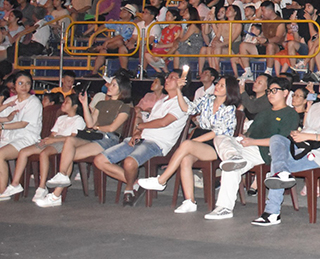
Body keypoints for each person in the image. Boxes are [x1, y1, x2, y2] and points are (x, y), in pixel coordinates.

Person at [255, 68, 320, 226]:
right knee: (277, 139)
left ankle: (272, 212)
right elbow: (307, 130)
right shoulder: (314, 107)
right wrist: (299, 135)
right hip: (303, 149)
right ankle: (282, 175)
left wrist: (307, 136)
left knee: (277, 167)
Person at [136, 76, 241, 213]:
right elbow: (187, 108)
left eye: (221, 85)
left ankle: (161, 180)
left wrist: (193, 142)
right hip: (199, 138)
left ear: (229, 91)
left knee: (186, 145)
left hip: (216, 143)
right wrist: (179, 91)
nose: (217, 87)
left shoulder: (229, 109)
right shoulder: (207, 99)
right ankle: (189, 201)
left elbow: (216, 133)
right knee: (185, 159)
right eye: (218, 84)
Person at [204, 75, 300, 220]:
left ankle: (233, 159)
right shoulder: (263, 113)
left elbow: (280, 141)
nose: (269, 94)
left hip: (265, 152)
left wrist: (252, 142)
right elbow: (250, 133)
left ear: (285, 93)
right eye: (268, 91)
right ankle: (224, 206)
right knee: (221, 139)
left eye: (274, 90)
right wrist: (243, 137)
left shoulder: (290, 114)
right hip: (248, 148)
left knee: (231, 165)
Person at [93, 71, 189, 206]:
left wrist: (140, 125)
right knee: (99, 160)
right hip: (142, 139)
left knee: (129, 163)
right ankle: (137, 183)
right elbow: (149, 121)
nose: (167, 80)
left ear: (181, 82)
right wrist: (138, 132)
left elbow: (163, 122)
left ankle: (128, 189)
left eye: (173, 78)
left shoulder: (183, 103)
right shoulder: (161, 101)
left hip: (157, 144)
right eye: (168, 77)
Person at [41, 74, 132, 207]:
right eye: (110, 84)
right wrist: (84, 104)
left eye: (114, 85)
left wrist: (97, 127)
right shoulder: (101, 104)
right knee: (70, 142)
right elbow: (90, 124)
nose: (109, 87)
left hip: (108, 138)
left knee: (68, 155)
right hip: (93, 135)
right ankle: (61, 177)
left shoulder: (124, 107)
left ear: (121, 89)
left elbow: (113, 127)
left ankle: (56, 195)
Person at [0, 92, 84, 200]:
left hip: (64, 143)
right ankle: (15, 184)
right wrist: (46, 140)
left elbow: (73, 138)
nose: (63, 104)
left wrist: (53, 140)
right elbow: (53, 133)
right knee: (23, 152)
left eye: (67, 102)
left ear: (75, 106)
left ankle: (41, 186)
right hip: (53, 141)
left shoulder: (78, 120)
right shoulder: (61, 118)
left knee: (44, 153)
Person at [0, 72, 43, 194]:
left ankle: (2, 191)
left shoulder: (33, 102)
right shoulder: (11, 100)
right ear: (14, 85)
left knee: (0, 155)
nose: (24, 86)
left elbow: (22, 124)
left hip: (26, 138)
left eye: (27, 83)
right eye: (20, 83)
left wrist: (3, 126)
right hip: (9, 137)